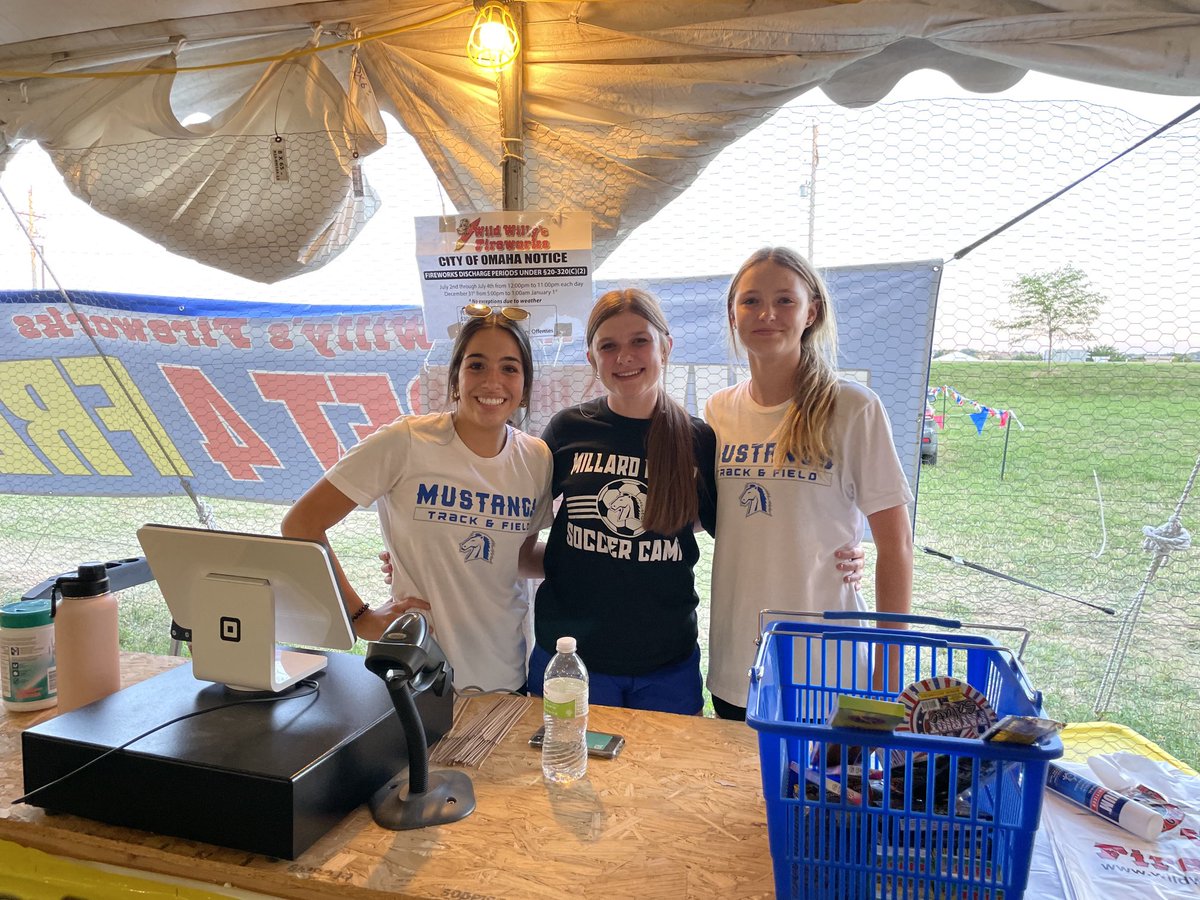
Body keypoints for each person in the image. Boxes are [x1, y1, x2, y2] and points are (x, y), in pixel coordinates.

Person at [282, 307, 552, 693]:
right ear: (456, 379)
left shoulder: (536, 458)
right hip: (417, 675)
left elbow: (520, 557)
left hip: (505, 673)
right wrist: (360, 617)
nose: (493, 381)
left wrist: (599, 564)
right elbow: (301, 524)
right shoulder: (407, 441)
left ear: (524, 387)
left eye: (509, 368)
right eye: (477, 365)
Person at [705, 247, 915, 720]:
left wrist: (888, 676)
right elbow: (716, 517)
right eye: (751, 301)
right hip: (739, 663)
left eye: (784, 300)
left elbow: (897, 545)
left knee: (826, 773)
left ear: (811, 312)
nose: (767, 314)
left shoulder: (853, 407)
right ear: (733, 315)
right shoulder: (719, 410)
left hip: (828, 666)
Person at [522, 288, 717, 715]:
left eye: (639, 341)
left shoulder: (698, 439)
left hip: (667, 662)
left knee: (666, 762)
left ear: (666, 347)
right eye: (608, 346)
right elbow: (513, 527)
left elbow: (722, 525)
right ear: (591, 359)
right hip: (570, 657)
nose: (624, 357)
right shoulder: (568, 429)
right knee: (564, 756)